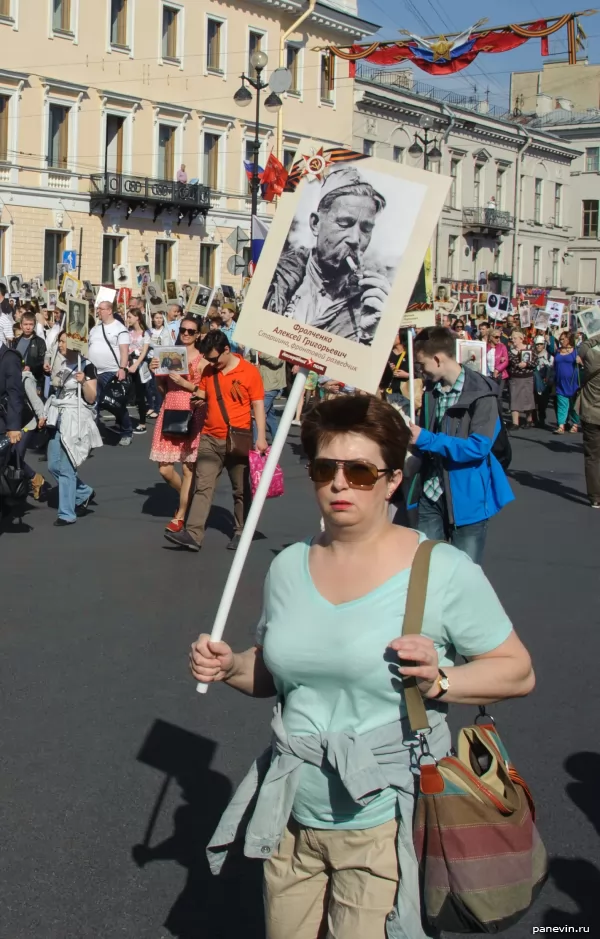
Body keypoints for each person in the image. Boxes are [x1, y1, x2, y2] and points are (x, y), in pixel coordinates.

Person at [190, 394, 535, 939]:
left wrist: (443, 679)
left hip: (385, 823)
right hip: (291, 816)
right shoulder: (286, 567)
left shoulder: (440, 570)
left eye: (360, 471)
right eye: (326, 468)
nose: (340, 484)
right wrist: (231, 665)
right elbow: (279, 675)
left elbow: (517, 670)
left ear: (393, 480)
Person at [409, 327, 513, 564]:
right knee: (428, 570)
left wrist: (426, 438)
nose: (420, 369)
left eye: (421, 363)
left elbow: (477, 448)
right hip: (431, 493)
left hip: (467, 499)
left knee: (464, 575)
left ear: (437, 359)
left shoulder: (482, 394)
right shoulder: (430, 391)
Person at [165, 330, 267, 553]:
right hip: (210, 437)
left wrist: (260, 437)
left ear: (227, 350)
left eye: (214, 358)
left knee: (240, 489)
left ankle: (241, 530)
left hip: (238, 438)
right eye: (208, 359)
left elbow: (258, 404)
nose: (211, 362)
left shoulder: (249, 372)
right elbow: (204, 392)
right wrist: (197, 398)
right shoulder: (210, 371)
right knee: (203, 486)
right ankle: (193, 534)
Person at [265, 166, 391, 344]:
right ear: (315, 224)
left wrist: (372, 336)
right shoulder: (275, 280)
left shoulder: (370, 300)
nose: (356, 239)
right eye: (345, 223)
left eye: (366, 229)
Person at [149, 315, 207, 533]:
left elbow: (205, 392)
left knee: (187, 466)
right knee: (164, 468)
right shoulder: (170, 354)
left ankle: (181, 513)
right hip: (171, 407)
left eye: (191, 331)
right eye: (183, 330)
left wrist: (186, 384)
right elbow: (162, 389)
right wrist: (157, 374)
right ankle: (189, 497)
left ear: (198, 334)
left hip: (192, 411)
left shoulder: (202, 360)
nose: (186, 334)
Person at [44, 331, 102, 526]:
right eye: (59, 341)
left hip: (74, 418)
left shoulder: (87, 366)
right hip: (57, 415)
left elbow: (92, 397)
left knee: (67, 467)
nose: (60, 345)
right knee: (53, 465)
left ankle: (66, 513)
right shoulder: (58, 363)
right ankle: (84, 492)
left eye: (63, 342)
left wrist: (83, 381)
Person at [88, 300, 133, 446]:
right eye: (98, 309)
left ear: (109, 310)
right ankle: (92, 434)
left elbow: (124, 351)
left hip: (111, 371)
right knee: (93, 403)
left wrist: (122, 368)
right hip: (94, 371)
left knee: (115, 403)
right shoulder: (95, 329)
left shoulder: (119, 329)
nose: (98, 311)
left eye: (101, 309)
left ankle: (126, 431)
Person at [17, 364, 46, 500]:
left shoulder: (25, 379)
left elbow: (35, 400)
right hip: (14, 423)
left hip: (27, 422)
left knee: (16, 456)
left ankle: (35, 479)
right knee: (10, 457)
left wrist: (41, 416)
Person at [578, 333, 600, 507]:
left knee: (592, 457)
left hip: (591, 413)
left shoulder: (592, 357)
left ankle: (595, 497)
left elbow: (584, 345)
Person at [126, 307, 151, 435]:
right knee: (126, 393)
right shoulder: (128, 332)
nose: (128, 319)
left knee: (140, 395)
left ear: (137, 317)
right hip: (128, 364)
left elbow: (144, 351)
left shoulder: (145, 333)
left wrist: (136, 364)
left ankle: (142, 423)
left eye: (130, 316)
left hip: (139, 366)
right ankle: (124, 421)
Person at [553, 331, 580, 434]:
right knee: (562, 405)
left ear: (569, 339)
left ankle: (575, 424)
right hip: (560, 382)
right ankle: (561, 425)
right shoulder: (558, 351)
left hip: (573, 383)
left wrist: (580, 361)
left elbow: (584, 363)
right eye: (561, 339)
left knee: (574, 406)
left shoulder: (576, 351)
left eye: (564, 339)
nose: (561, 340)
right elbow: (555, 365)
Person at [508, 331, 536, 430]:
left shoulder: (529, 349)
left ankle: (529, 420)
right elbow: (512, 362)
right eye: (512, 338)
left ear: (521, 339)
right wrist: (518, 362)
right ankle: (515, 423)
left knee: (528, 398)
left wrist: (527, 364)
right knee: (514, 399)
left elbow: (535, 361)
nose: (513, 340)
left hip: (527, 377)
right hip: (515, 377)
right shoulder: (511, 351)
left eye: (515, 338)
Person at [255, 351, 286, 442]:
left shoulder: (277, 345)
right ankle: (277, 442)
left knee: (257, 415)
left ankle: (256, 446)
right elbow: (247, 359)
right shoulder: (256, 346)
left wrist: (261, 354)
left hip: (271, 385)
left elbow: (277, 361)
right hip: (258, 383)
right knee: (269, 416)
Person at [14, 311, 46, 385]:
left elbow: (42, 361)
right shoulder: (16, 341)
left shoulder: (39, 342)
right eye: (25, 324)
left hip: (34, 379)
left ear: (34, 325)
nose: (28, 327)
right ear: (21, 325)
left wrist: (30, 367)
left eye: (31, 324)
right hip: (17, 378)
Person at [380, 331, 410, 410]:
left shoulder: (410, 354)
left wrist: (407, 375)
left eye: (395, 334)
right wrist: (387, 369)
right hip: (388, 393)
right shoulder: (386, 353)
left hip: (404, 395)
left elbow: (420, 374)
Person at [533, 335, 554, 429]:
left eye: (540, 344)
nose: (538, 346)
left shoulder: (549, 357)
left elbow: (552, 370)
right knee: (533, 401)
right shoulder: (532, 355)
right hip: (534, 381)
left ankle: (542, 418)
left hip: (544, 382)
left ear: (544, 345)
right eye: (537, 344)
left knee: (543, 402)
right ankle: (534, 419)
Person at [487, 328, 509, 396]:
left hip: (500, 375)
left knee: (498, 396)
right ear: (490, 337)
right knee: (490, 396)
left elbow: (506, 361)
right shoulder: (485, 347)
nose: (498, 339)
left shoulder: (502, 347)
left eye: (499, 337)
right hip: (488, 375)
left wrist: (497, 369)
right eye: (496, 337)